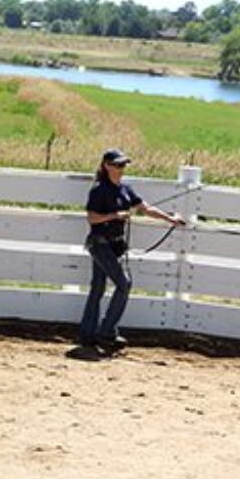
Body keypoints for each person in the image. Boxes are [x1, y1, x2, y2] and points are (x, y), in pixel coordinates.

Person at [79, 148, 186, 353]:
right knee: (124, 283)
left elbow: (146, 208)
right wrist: (114, 215)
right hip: (100, 244)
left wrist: (170, 219)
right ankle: (106, 332)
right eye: (118, 165)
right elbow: (92, 218)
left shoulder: (126, 189)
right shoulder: (99, 190)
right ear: (106, 166)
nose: (121, 169)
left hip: (114, 245)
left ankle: (88, 334)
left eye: (123, 165)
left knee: (98, 288)